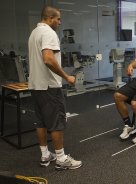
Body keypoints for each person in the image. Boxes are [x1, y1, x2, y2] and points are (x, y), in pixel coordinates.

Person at [28, 6, 82, 170]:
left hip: (36, 86)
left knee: (41, 122)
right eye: (58, 19)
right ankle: (61, 158)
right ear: (49, 18)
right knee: (57, 122)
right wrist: (67, 77)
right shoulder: (49, 33)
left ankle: (45, 155)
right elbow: (48, 59)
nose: (60, 22)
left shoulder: (34, 33)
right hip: (50, 86)